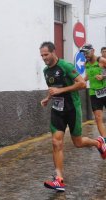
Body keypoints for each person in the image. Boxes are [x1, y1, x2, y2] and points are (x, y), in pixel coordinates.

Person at [40, 41, 106, 192]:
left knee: (78, 142)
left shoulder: (66, 66)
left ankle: (98, 143)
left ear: (53, 52)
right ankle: (59, 179)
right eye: (42, 55)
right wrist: (47, 98)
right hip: (57, 110)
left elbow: (82, 84)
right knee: (56, 142)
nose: (44, 58)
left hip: (72, 109)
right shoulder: (46, 71)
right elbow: (53, 89)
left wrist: (61, 90)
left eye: (46, 54)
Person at [80, 44, 106, 143]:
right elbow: (87, 76)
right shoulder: (86, 63)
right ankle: (105, 140)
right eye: (83, 53)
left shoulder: (101, 60)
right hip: (94, 93)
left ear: (93, 51)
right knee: (98, 117)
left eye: (87, 52)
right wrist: (80, 81)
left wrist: (103, 76)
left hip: (105, 90)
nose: (85, 55)